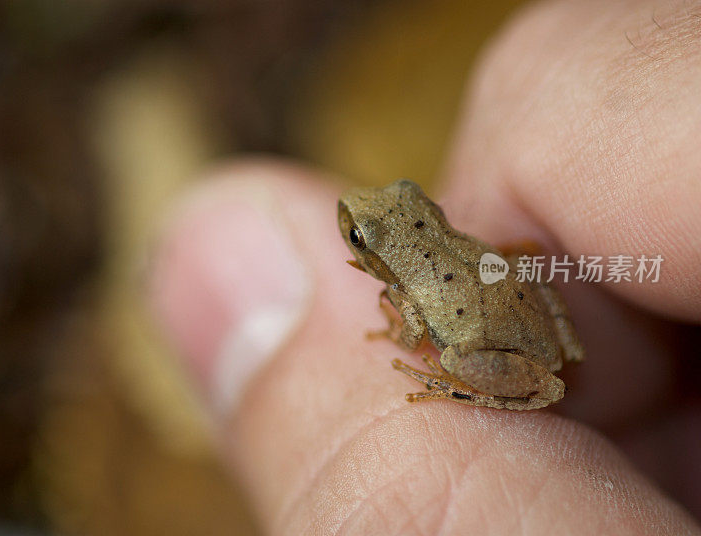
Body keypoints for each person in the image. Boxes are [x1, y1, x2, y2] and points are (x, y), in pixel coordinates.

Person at [149, 1, 701, 533]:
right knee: (515, 277)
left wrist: (403, 329)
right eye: (362, 235)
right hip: (519, 305)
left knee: (455, 351)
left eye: (359, 238)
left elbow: (415, 332)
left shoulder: (407, 289)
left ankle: (468, 386)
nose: (354, 223)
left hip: (492, 339)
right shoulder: (442, 247)